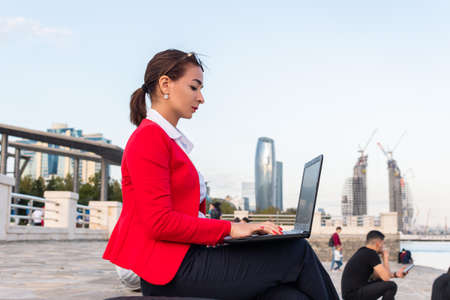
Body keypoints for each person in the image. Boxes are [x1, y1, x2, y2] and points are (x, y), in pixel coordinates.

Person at [103, 49, 339, 299]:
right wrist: (230, 228)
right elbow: (159, 222)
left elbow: (185, 215)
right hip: (172, 270)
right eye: (194, 87)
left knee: (288, 296)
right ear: (165, 84)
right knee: (296, 251)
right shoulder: (149, 138)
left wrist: (240, 230)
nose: (201, 97)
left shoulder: (167, 140)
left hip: (185, 259)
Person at [341, 230, 409, 300]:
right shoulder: (371, 254)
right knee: (392, 286)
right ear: (378, 244)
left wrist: (396, 274)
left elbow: (379, 276)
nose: (383, 247)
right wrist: (385, 258)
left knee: (383, 282)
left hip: (351, 293)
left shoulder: (364, 252)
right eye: (383, 244)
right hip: (353, 295)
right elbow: (386, 278)